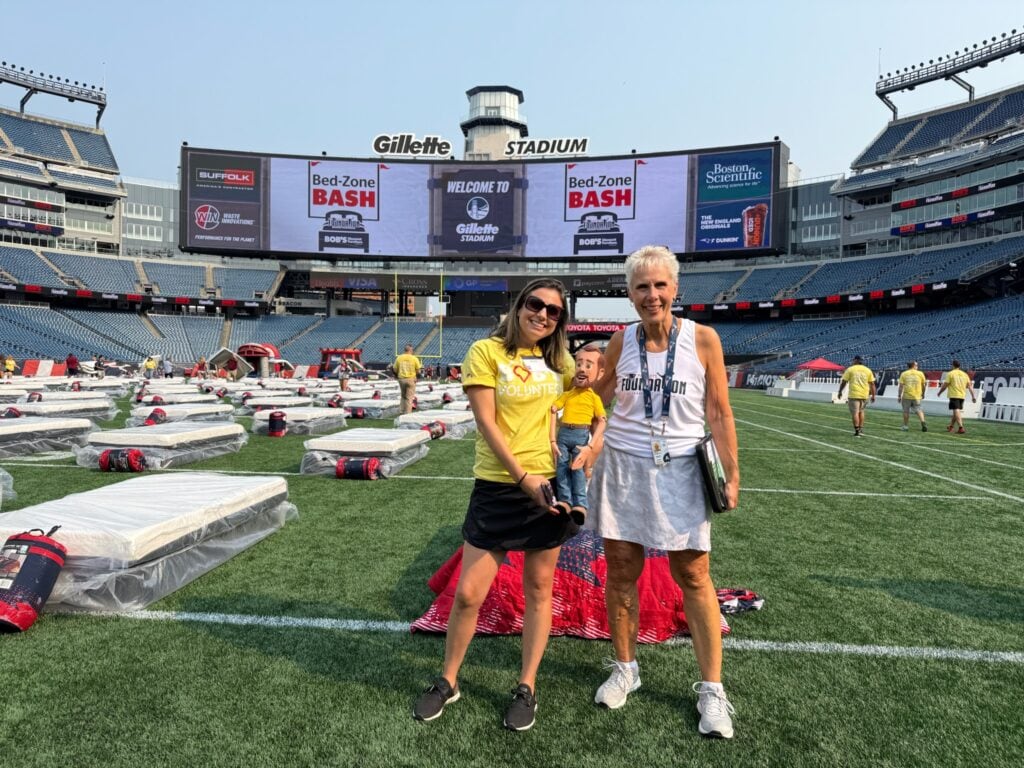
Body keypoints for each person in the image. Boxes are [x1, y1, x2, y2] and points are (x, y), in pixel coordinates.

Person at [583, 245, 740, 740]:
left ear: (675, 289)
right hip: (624, 468)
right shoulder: (618, 341)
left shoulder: (704, 339)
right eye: (641, 287)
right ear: (629, 295)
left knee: (693, 574)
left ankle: (712, 689)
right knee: (622, 571)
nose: (651, 295)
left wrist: (732, 474)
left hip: (683, 469)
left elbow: (718, 411)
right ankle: (626, 667)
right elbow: (597, 402)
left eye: (659, 285)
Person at [413, 278, 576, 732]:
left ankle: (527, 685)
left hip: (546, 488)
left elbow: (585, 399)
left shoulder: (559, 359)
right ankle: (449, 680)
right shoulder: (486, 352)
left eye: (554, 311)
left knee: (539, 591)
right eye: (535, 304)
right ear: (519, 305)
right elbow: (485, 421)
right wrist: (521, 478)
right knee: (467, 595)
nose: (542, 315)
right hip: (499, 485)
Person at [549, 344, 607, 523]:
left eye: (588, 365)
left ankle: (580, 504)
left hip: (581, 435)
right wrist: (552, 438)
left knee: (577, 470)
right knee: (562, 468)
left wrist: (590, 446)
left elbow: (602, 421)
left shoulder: (594, 398)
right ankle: (565, 501)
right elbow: (554, 408)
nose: (582, 369)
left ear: (600, 373)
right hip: (564, 433)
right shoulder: (569, 394)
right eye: (579, 364)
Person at [837, 355, 876, 437]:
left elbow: (844, 381)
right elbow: (872, 384)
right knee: (861, 411)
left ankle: (857, 430)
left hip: (854, 394)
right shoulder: (867, 370)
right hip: (865, 394)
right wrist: (873, 395)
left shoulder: (850, 369)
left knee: (855, 413)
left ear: (855, 360)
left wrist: (840, 391)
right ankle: (861, 429)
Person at [937, 359, 977, 434]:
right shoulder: (965, 374)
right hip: (962, 395)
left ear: (952, 365)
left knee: (956, 410)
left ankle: (961, 427)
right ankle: (951, 426)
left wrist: (940, 392)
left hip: (954, 394)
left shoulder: (951, 373)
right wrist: (973, 396)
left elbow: (945, 385)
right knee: (956, 411)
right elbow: (970, 386)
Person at [897, 360, 928, 432]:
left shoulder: (904, 374)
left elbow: (901, 386)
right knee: (919, 410)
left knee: (906, 411)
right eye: (916, 365)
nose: (917, 366)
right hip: (917, 396)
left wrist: (899, 395)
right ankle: (923, 422)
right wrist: (923, 393)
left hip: (907, 396)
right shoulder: (920, 373)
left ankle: (905, 426)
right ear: (914, 366)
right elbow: (923, 385)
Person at [394, 344, 422, 414]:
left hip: (402, 379)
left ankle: (401, 411)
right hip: (411, 379)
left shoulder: (399, 358)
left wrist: (398, 375)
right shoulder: (414, 358)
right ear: (410, 350)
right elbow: (418, 371)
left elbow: (394, 369)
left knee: (403, 396)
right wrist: (417, 377)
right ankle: (408, 413)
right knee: (409, 397)